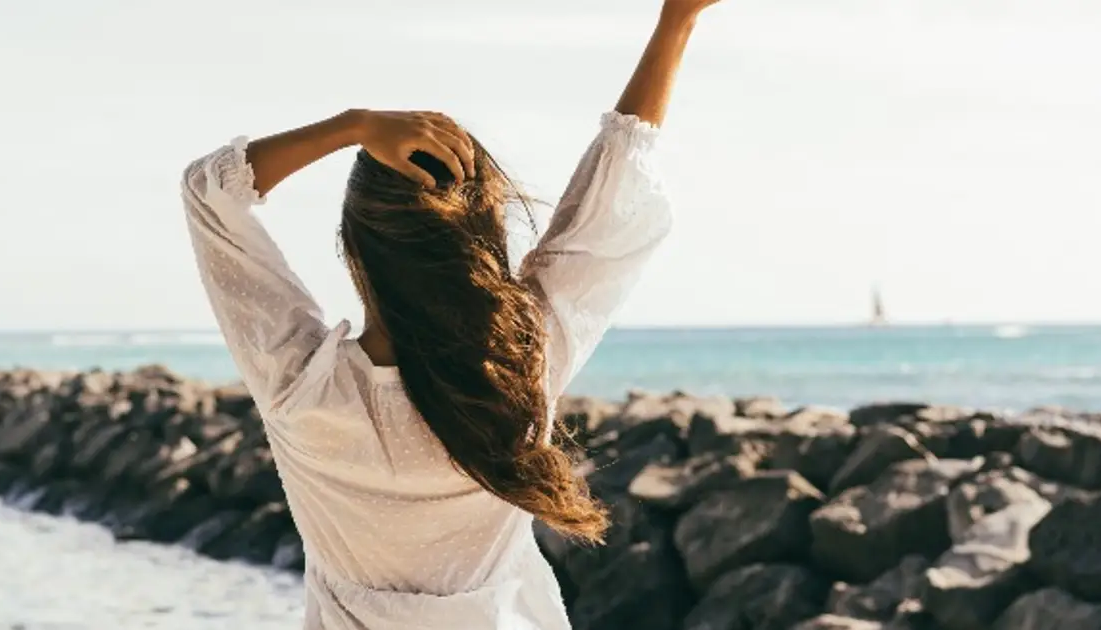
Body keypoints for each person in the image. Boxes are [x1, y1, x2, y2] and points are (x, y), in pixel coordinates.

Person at [178, 0, 718, 626]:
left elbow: (209, 192)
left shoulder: (303, 386)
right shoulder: (522, 363)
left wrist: (351, 126)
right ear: (486, 238)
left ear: (354, 246)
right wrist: (677, 21)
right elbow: (614, 187)